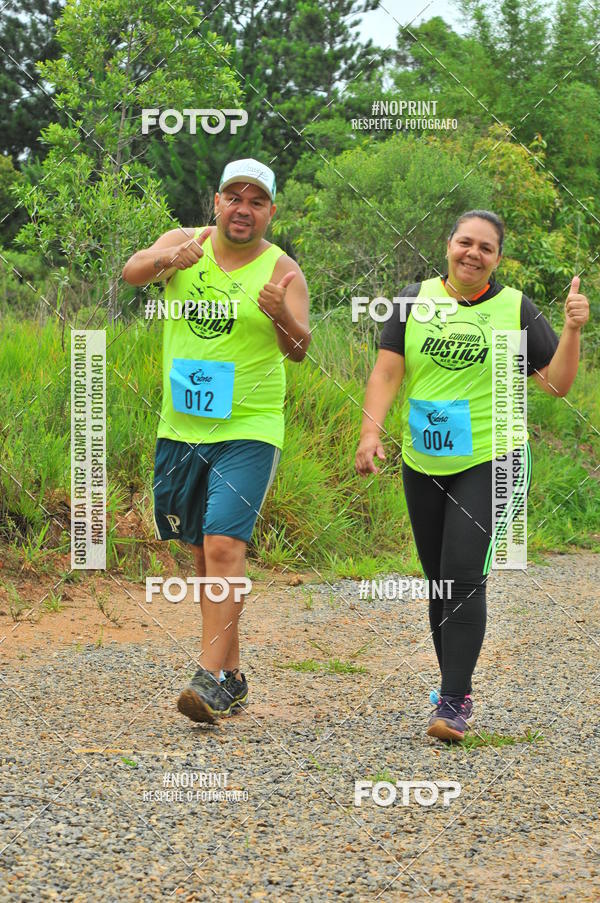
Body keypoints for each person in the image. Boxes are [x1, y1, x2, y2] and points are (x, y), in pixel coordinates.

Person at [355, 210, 589, 741]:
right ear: (448, 245)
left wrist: (572, 329)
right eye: (466, 242)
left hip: (494, 456)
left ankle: (455, 701)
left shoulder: (514, 309)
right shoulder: (413, 300)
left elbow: (555, 385)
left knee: (462, 572)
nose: (473, 254)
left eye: (486, 248)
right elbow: (387, 371)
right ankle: (450, 686)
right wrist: (371, 433)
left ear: (497, 259)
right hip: (424, 459)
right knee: (439, 577)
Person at [122, 159, 310, 723]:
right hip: (181, 428)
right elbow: (133, 272)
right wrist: (165, 260)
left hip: (249, 429)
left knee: (226, 546)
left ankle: (205, 681)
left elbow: (299, 350)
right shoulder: (185, 243)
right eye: (235, 197)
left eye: (256, 201)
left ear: (270, 212)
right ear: (216, 202)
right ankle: (230, 676)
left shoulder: (283, 271)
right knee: (203, 556)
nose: (243, 209)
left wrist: (282, 318)